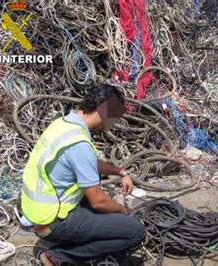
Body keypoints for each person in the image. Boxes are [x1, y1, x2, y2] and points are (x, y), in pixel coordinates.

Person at [20, 84, 146, 265]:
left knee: (107, 212)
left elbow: (87, 163)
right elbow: (98, 201)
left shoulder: (64, 124)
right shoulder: (79, 144)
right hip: (52, 221)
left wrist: (120, 172)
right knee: (134, 231)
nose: (113, 124)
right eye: (113, 117)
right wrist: (123, 211)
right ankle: (56, 257)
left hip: (37, 211)